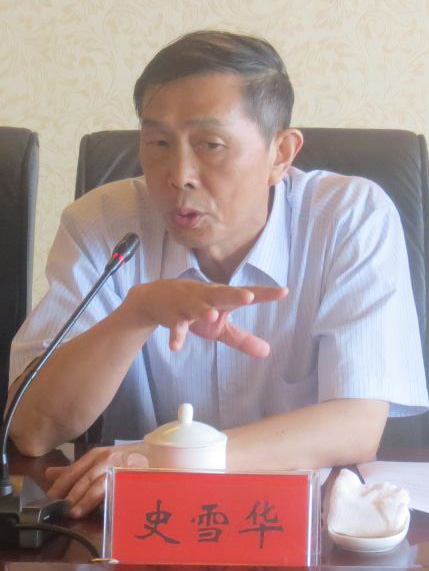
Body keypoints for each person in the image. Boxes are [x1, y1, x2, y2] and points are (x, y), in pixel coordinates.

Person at [7, 31, 428, 519]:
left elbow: (356, 426)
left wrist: (174, 460)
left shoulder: (349, 216)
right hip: (142, 521)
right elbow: (31, 430)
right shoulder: (102, 224)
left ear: (281, 153)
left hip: (302, 522)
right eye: (158, 143)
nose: (178, 174)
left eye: (210, 144)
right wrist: (135, 314)